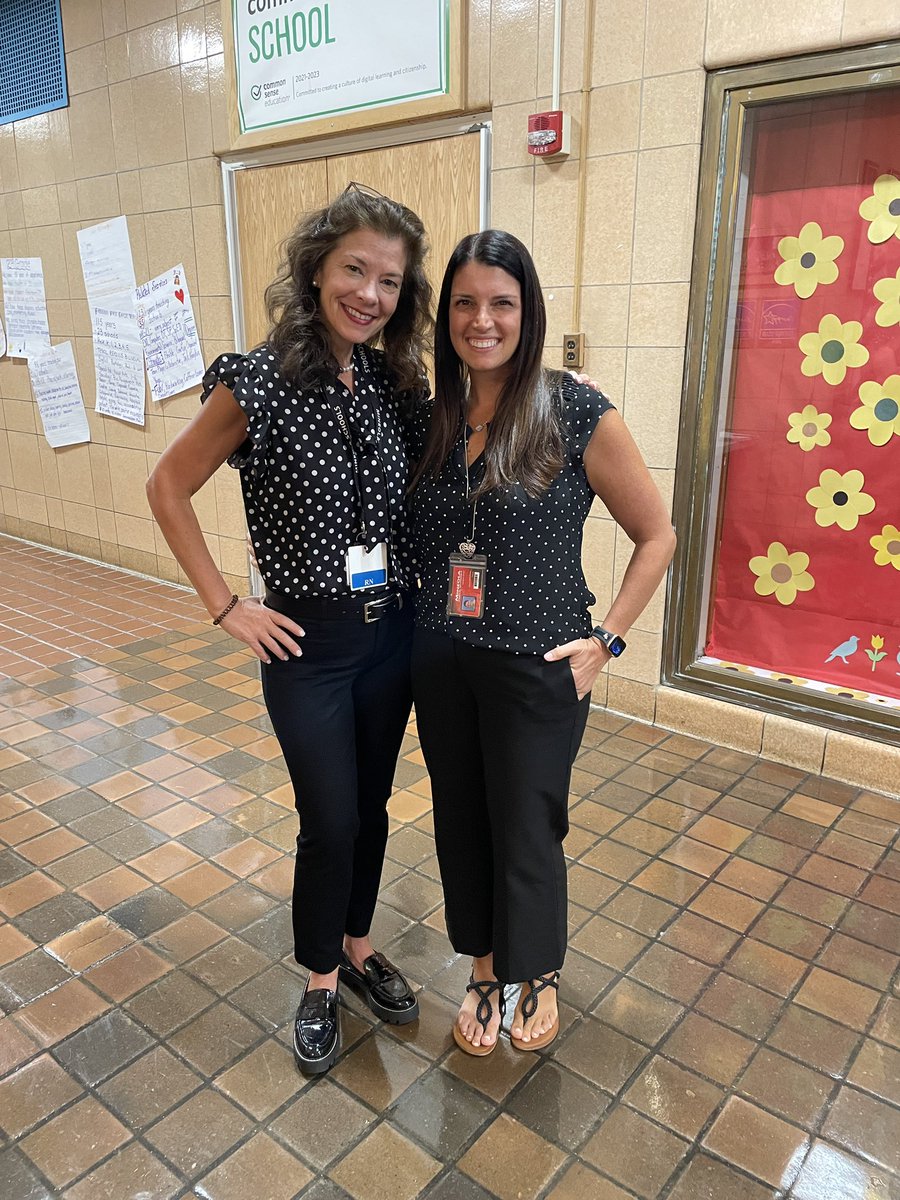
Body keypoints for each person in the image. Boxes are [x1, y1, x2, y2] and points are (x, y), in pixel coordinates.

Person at [146, 185, 432, 1075]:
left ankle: (354, 946)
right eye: (355, 269)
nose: (371, 294)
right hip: (306, 647)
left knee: (375, 810)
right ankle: (316, 978)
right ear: (316, 270)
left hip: (391, 636)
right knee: (330, 817)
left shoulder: (392, 382)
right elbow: (167, 486)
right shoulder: (258, 380)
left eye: (389, 280)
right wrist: (226, 606)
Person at [408, 230, 677, 1056]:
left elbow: (658, 534)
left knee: (527, 823)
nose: (481, 319)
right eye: (464, 302)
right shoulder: (434, 417)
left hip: (540, 661)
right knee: (461, 818)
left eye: (501, 303)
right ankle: (487, 971)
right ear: (445, 314)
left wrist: (610, 640)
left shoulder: (574, 409)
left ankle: (540, 970)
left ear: (527, 312)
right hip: (442, 656)